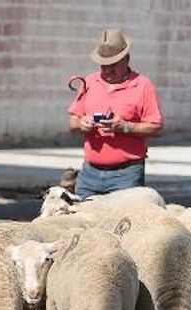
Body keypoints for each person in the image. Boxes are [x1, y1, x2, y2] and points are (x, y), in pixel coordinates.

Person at [67, 28, 164, 198]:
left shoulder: (143, 85)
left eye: (113, 65)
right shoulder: (89, 82)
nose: (107, 71)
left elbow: (156, 127)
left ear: (126, 60)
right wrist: (82, 123)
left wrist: (125, 127)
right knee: (82, 220)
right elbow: (72, 121)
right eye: (103, 65)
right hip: (89, 173)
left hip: (126, 174)